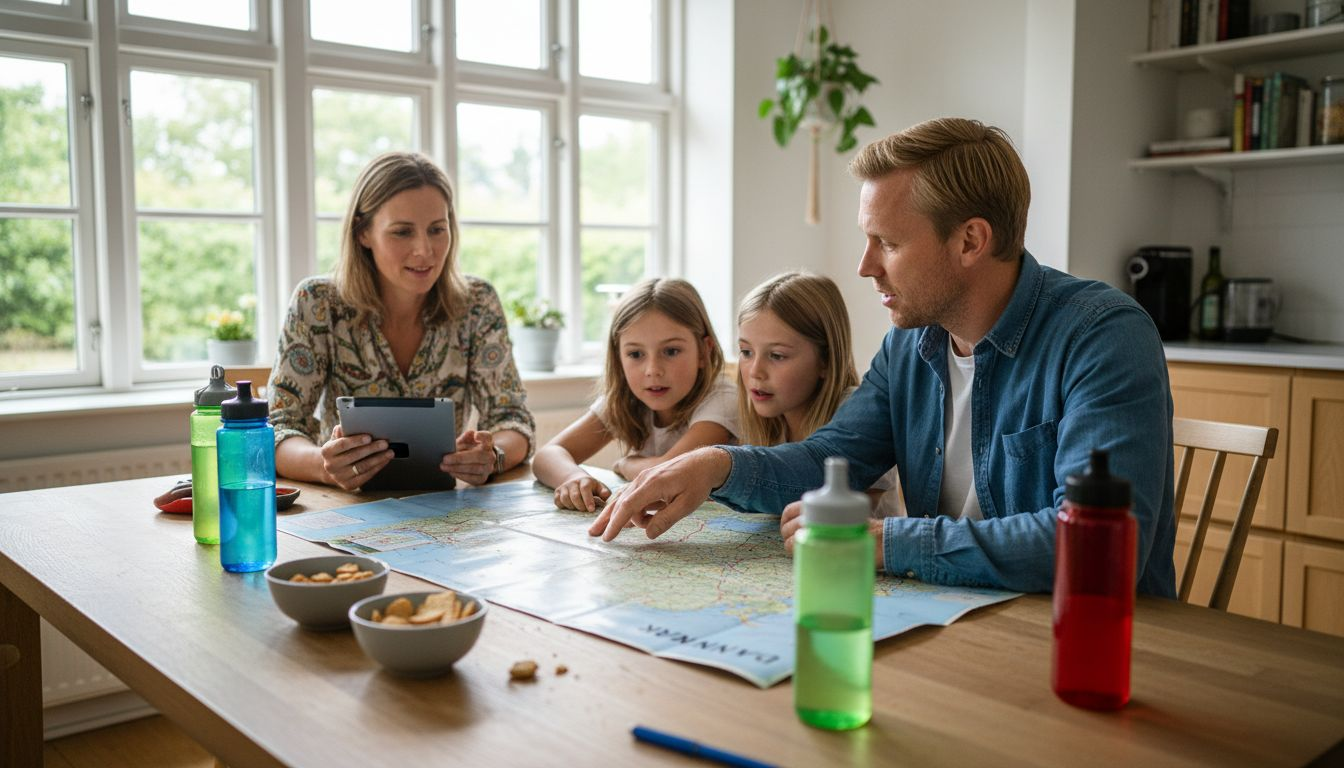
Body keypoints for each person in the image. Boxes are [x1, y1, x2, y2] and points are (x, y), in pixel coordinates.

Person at [589, 118, 1177, 597]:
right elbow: (829, 460)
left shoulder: (1102, 336)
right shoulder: (910, 344)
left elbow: (1100, 547)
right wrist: (716, 465)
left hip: (1090, 642)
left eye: (888, 243)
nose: (865, 266)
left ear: (970, 241)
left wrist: (888, 542)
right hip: (953, 612)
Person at [269, 151, 535, 491]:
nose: (425, 250)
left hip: (443, 506)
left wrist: (492, 455)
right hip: (344, 503)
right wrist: (323, 465)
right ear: (363, 232)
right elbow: (278, 428)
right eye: (402, 232)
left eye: (437, 229)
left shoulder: (477, 303)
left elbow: (513, 419)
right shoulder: (318, 302)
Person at [533, 277, 740, 512]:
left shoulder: (723, 399)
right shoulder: (626, 399)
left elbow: (668, 471)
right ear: (618, 357)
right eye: (635, 354)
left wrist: (627, 464)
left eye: (671, 351)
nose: (653, 370)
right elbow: (547, 455)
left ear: (704, 351)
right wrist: (573, 477)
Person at [736, 271, 901, 515]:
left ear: (826, 359)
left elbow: (863, 506)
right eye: (746, 352)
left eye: (777, 356)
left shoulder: (859, 416)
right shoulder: (771, 422)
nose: (755, 372)